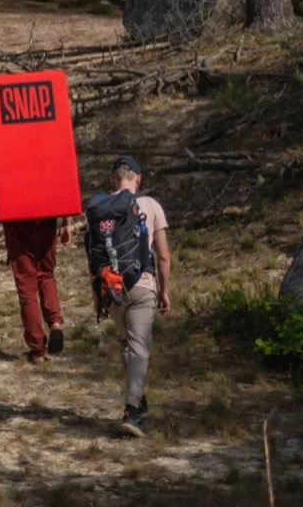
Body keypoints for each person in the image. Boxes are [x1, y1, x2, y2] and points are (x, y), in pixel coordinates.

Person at [104, 155, 170, 438]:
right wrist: (165, 290)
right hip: (143, 286)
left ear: (112, 180)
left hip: (112, 290)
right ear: (138, 179)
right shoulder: (152, 205)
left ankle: (138, 399)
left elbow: (97, 253)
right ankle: (132, 411)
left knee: (128, 345)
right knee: (139, 347)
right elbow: (163, 255)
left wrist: (98, 296)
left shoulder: (101, 207)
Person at [0, 205, 70, 363]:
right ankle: (55, 322)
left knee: (26, 283)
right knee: (46, 274)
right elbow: (63, 185)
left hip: (16, 219)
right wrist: (67, 222)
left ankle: (37, 349)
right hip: (46, 216)